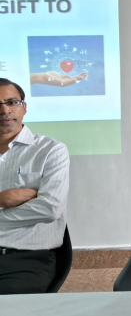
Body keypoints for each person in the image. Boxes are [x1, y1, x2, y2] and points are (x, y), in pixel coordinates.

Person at [0, 78, 69, 294]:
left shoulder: (51, 150)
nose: (5, 111)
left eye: (12, 102)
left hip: (24, 259)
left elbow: (49, 209)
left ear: (24, 106)